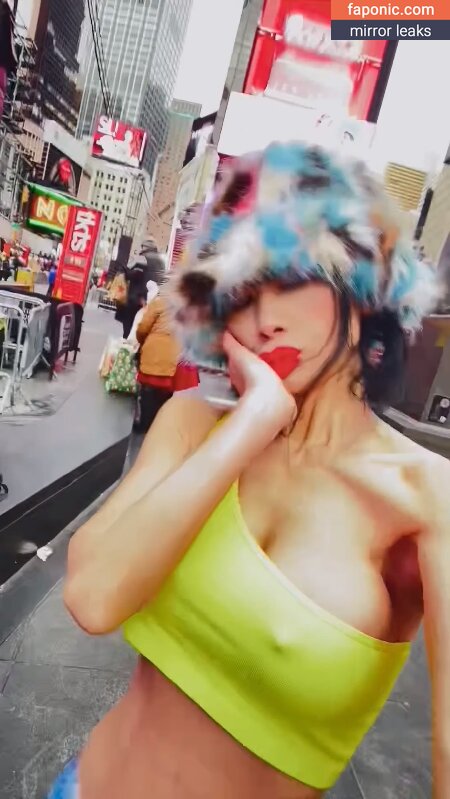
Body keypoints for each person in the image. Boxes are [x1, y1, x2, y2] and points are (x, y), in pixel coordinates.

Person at [52, 143, 449, 799]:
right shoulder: (194, 425)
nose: (264, 321)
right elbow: (92, 597)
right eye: (241, 295)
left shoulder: (425, 497)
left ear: (361, 295)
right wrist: (253, 420)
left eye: (288, 280)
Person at [133, 287, 180, 433]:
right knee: (165, 398)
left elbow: (142, 329)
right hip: (174, 362)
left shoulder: (159, 302)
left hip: (152, 358)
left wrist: (142, 342)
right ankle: (159, 428)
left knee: (148, 394)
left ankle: (145, 426)